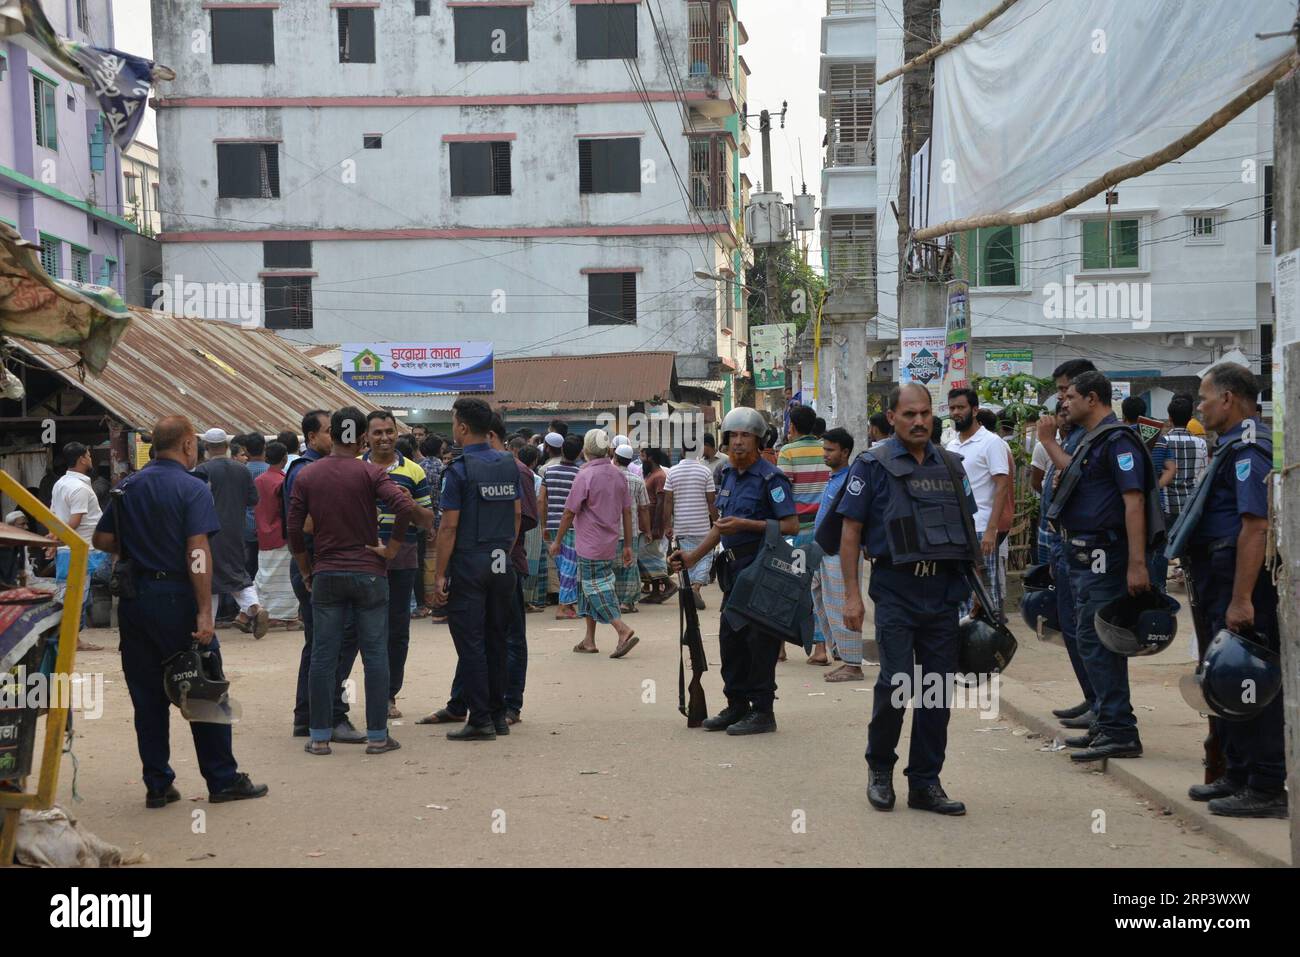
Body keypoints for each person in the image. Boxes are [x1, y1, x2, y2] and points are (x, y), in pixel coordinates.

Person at [92, 415, 269, 808]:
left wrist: (139, 542)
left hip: (136, 599)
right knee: (201, 683)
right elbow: (197, 552)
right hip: (176, 597)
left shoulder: (128, 486)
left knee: (146, 693)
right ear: (189, 444)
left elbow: (101, 538)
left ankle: (158, 784)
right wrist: (206, 612)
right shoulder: (191, 488)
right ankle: (222, 780)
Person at [836, 383, 977, 815]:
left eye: (925, 414)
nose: (919, 422)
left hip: (943, 593)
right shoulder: (870, 466)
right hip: (896, 590)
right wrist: (852, 598)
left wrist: (975, 594)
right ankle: (880, 769)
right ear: (892, 418)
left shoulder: (952, 466)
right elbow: (850, 534)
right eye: (909, 415)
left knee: (936, 692)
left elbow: (967, 532)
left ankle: (925, 783)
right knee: (897, 684)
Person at [1169, 363, 1286, 818]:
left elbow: (1254, 528)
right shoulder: (1230, 447)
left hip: (1241, 582)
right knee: (1226, 678)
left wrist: (1241, 599)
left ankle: (1266, 784)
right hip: (1217, 578)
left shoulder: (1249, 450)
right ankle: (1237, 773)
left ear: (1229, 400)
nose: (1199, 406)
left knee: (1249, 677)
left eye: (1204, 397)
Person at [1042, 370, 1161, 762]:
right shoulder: (1092, 440)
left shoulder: (1118, 440)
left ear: (1093, 399)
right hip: (1082, 555)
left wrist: (1137, 564)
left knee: (1100, 642)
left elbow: (1134, 502)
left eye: (1071, 396)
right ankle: (1106, 724)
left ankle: (1120, 730)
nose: (1064, 403)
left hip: (1105, 556)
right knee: (1088, 639)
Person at [288, 407, 419, 756]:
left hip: (327, 573)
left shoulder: (308, 475)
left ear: (333, 435)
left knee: (323, 655)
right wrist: (390, 548)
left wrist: (305, 568)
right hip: (369, 572)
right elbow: (405, 507)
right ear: (362, 437)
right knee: (376, 654)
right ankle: (378, 736)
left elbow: (294, 528)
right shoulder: (372, 473)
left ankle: (318, 737)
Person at [668, 407, 797, 736]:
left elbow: (789, 524)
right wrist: (691, 558)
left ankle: (763, 710)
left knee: (759, 642)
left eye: (745, 436)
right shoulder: (725, 475)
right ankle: (736, 704)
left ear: (758, 440)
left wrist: (747, 525)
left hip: (763, 569)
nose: (738, 442)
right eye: (733, 436)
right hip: (735, 571)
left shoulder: (771, 478)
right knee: (731, 639)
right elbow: (720, 528)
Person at [418, 398, 521, 740]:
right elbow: (518, 514)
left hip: (469, 562)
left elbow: (448, 527)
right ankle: (498, 714)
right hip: (501, 559)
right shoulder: (509, 464)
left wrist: (439, 575)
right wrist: (503, 548)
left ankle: (480, 720)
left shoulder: (459, 470)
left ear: (462, 427)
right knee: (495, 638)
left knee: (471, 642)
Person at [286, 409, 364, 743]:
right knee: (337, 643)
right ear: (311, 436)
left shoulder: (313, 469)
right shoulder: (306, 471)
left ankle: (308, 714)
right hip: (319, 565)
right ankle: (332, 713)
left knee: (319, 644)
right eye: (329, 431)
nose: (336, 436)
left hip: (318, 564)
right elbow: (303, 524)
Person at [1033, 361, 1099, 727]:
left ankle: (1104, 708)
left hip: (1088, 550)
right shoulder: (1071, 432)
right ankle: (1092, 698)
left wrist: (1047, 442)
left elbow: (1076, 475)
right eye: (1059, 391)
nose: (1061, 399)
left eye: (1066, 391)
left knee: (1088, 630)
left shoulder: (1100, 436)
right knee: (1072, 628)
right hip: (1061, 542)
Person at [362, 411, 434, 719]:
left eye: (389, 431)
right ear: (366, 436)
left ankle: (389, 695)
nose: (384, 438)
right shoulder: (354, 469)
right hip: (363, 559)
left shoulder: (414, 472)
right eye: (377, 432)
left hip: (402, 558)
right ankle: (355, 695)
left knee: (397, 630)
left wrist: (409, 502)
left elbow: (428, 521)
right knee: (361, 629)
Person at [551, 429, 637, 657]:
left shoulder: (585, 475)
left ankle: (622, 629)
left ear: (586, 451)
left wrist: (557, 541)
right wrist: (628, 544)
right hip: (610, 541)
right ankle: (589, 639)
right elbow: (627, 511)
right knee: (589, 587)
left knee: (594, 587)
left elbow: (569, 512)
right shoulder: (618, 475)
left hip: (589, 543)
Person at [195, 428, 268, 639]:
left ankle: (206, 625)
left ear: (207, 448)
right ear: (227, 447)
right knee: (236, 572)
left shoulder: (202, 471)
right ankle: (254, 607)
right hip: (236, 531)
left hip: (206, 532)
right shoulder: (242, 470)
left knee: (207, 578)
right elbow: (253, 500)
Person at [945, 389, 1010, 616]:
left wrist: (992, 530)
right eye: (952, 408)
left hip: (982, 531)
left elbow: (1002, 486)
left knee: (985, 597)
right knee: (961, 597)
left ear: (974, 410)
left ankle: (987, 648)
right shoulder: (951, 447)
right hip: (956, 532)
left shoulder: (992, 443)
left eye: (960, 407)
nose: (955, 412)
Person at [812, 428, 863, 682]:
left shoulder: (850, 480)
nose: (825, 454)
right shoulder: (834, 478)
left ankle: (853, 664)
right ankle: (841, 655)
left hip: (841, 552)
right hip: (824, 550)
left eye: (830, 450)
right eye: (825, 449)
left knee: (844, 605)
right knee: (821, 599)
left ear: (844, 452)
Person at [48, 441, 108, 648]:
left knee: (71, 594)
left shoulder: (61, 484)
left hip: (70, 549)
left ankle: (70, 637)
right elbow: (74, 521)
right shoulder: (79, 488)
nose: (90, 458)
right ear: (82, 458)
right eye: (89, 455)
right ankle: (72, 639)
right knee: (76, 596)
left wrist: (53, 541)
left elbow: (54, 516)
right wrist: (56, 541)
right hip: (80, 549)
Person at [1121, 396, 1176, 590]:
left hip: (1126, 507)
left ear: (1124, 415)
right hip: (1156, 507)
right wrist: (1155, 486)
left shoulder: (1121, 438)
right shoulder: (1160, 439)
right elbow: (1170, 468)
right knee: (1156, 551)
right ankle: (1159, 592)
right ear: (1144, 414)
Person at [662, 442, 718, 611]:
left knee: (685, 557)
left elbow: (668, 500)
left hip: (682, 525)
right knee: (706, 555)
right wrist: (717, 522)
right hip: (701, 524)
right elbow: (711, 501)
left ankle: (690, 590)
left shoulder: (672, 472)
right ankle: (696, 588)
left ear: (683, 451)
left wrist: (667, 525)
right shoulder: (705, 471)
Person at [1162, 392, 1208, 588]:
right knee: (1189, 553)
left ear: (1169, 418)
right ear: (1190, 418)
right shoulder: (1200, 443)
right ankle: (1191, 584)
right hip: (1189, 507)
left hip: (1165, 506)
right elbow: (1202, 475)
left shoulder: (1162, 442)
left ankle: (1161, 590)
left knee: (1161, 551)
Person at [252, 442, 298, 626]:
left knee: (264, 576)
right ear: (284, 459)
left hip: (263, 533)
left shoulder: (259, 480)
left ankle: (261, 612)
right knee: (286, 579)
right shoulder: (282, 481)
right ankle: (288, 617)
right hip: (281, 534)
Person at [540, 434, 582, 619]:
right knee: (569, 566)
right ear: (580, 453)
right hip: (572, 525)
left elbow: (541, 499)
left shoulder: (548, 471)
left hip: (552, 523)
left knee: (562, 565)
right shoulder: (580, 474)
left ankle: (568, 604)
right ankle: (563, 606)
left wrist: (544, 524)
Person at [611, 444, 651, 614]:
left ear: (616, 458)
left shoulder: (609, 478)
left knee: (612, 566)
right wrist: (647, 530)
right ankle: (626, 603)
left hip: (610, 531)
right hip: (631, 531)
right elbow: (644, 508)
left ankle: (613, 600)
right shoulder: (636, 480)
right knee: (629, 566)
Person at [637, 448, 677, 604]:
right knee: (648, 555)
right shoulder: (651, 475)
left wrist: (655, 527)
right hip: (648, 523)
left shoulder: (660, 476)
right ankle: (655, 591)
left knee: (649, 555)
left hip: (653, 523)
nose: (641, 459)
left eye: (643, 455)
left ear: (650, 458)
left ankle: (668, 584)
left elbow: (661, 502)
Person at [417, 434, 447, 622]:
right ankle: (438, 599)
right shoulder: (444, 468)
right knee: (438, 561)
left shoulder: (418, 469)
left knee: (424, 562)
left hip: (422, 516)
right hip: (440, 517)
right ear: (439, 450)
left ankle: (426, 600)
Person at [519, 444, 549, 613]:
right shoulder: (536, 479)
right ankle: (527, 599)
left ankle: (520, 598)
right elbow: (539, 502)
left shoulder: (515, 473)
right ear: (535, 460)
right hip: (533, 522)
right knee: (532, 561)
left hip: (518, 521)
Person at [241, 433, 269, 585]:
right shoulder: (271, 471)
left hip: (245, 527)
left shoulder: (240, 471)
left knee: (248, 568)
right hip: (267, 527)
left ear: (246, 450)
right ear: (264, 447)